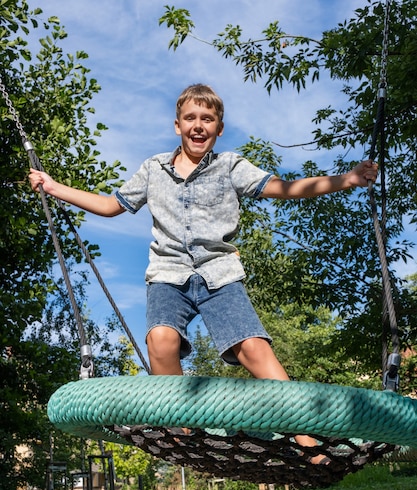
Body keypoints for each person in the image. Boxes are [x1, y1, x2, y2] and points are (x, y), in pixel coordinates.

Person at [29, 83, 378, 464]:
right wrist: (53, 187)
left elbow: (284, 187)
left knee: (254, 350)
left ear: (219, 128)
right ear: (177, 125)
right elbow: (111, 205)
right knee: (160, 340)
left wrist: (346, 179)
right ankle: (183, 436)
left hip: (219, 273)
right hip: (168, 274)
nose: (199, 126)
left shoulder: (231, 166)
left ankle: (309, 442)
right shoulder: (153, 168)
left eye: (207, 119)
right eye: (191, 118)